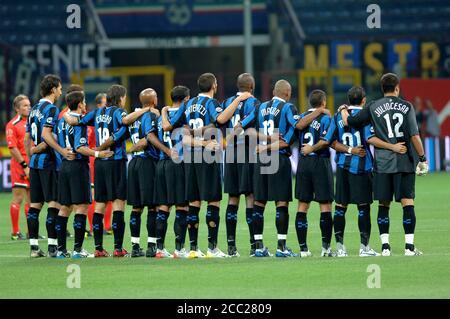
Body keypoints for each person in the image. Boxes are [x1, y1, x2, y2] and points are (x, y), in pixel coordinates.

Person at [162, 73, 249, 258]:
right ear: (214, 86)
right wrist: (238, 100)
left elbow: (169, 126)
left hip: (189, 157)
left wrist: (163, 112)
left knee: (194, 202)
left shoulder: (187, 104)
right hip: (208, 156)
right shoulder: (211, 104)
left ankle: (193, 248)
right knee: (213, 201)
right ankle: (212, 247)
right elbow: (221, 120)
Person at [341, 73, 428, 256]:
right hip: (404, 161)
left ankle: (385, 247)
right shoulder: (406, 106)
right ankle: (409, 247)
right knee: (407, 203)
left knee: (383, 204)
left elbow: (350, 122)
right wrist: (422, 158)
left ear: (382, 89)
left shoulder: (373, 106)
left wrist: (343, 109)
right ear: (397, 88)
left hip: (382, 164)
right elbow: (414, 136)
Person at [242, 80, 327, 257]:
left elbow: (241, 127)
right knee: (281, 202)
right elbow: (299, 125)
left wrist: (261, 138)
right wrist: (319, 110)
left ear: (274, 91)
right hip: (279, 157)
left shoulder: (260, 107)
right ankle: (281, 247)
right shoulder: (289, 108)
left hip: (260, 158)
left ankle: (258, 246)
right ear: (287, 94)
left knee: (259, 202)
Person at [64, 84, 151, 257]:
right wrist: (145, 109)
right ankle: (118, 248)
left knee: (100, 204)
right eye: (124, 97)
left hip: (99, 163)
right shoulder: (119, 112)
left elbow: (76, 120)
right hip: (115, 160)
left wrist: (66, 114)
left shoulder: (97, 112)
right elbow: (126, 121)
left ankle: (98, 248)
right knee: (119, 203)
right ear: (120, 98)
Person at [301, 86, 380, 257]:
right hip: (362, 166)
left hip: (342, 166)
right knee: (363, 208)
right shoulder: (366, 116)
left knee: (340, 208)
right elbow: (369, 138)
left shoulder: (337, 116)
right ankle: (364, 248)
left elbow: (329, 141)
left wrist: (347, 150)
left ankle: (340, 248)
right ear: (364, 100)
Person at [55, 91, 113, 258]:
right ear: (80, 104)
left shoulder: (62, 120)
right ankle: (78, 250)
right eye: (84, 101)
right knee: (81, 207)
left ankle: (60, 250)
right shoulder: (78, 123)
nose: (85, 104)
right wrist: (98, 154)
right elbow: (80, 147)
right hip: (78, 166)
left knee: (65, 207)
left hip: (64, 166)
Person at [24, 74, 75, 258]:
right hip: (48, 162)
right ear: (53, 89)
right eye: (60, 88)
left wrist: (30, 154)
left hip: (35, 163)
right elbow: (47, 135)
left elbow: (27, 137)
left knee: (35, 205)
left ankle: (34, 248)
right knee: (54, 203)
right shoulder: (52, 109)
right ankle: (53, 247)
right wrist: (61, 151)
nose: (61, 91)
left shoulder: (34, 108)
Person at [222, 73, 260, 257]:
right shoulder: (255, 103)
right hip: (247, 151)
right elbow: (252, 121)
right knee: (250, 196)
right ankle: (254, 245)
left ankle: (231, 246)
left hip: (230, 152)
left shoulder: (228, 101)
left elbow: (221, 119)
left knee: (232, 198)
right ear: (252, 86)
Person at [295, 90, 335, 257]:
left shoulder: (302, 116)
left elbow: (298, 126)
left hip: (304, 163)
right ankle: (326, 249)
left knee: (302, 205)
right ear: (323, 102)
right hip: (320, 162)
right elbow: (327, 141)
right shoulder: (326, 118)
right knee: (324, 205)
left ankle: (303, 249)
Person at [126, 88, 161, 258]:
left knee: (136, 207)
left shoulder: (133, 117)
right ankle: (151, 245)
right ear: (154, 101)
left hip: (133, 163)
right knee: (152, 206)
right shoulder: (150, 116)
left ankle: (134, 246)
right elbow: (149, 138)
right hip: (147, 163)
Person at [86, 93, 113, 236]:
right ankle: (92, 227)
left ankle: (107, 226)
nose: (106, 106)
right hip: (94, 161)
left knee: (107, 196)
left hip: (106, 159)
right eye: (104, 103)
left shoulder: (106, 119)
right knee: (96, 196)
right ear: (98, 105)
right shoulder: (93, 123)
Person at [6, 95, 31, 240]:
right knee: (18, 198)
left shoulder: (31, 122)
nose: (28, 108)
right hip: (19, 166)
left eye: (29, 105)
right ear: (17, 108)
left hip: (32, 165)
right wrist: (24, 165)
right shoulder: (12, 125)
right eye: (24, 105)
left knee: (32, 200)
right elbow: (12, 148)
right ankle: (15, 232)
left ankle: (30, 232)